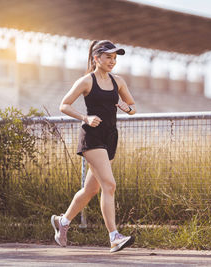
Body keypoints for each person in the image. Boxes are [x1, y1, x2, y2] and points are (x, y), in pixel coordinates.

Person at [51, 40, 136, 253]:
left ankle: (63, 221)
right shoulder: (86, 81)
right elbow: (64, 105)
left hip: (109, 138)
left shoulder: (119, 82)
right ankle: (114, 237)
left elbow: (133, 107)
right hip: (92, 137)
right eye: (108, 57)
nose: (112, 61)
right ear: (96, 58)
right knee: (110, 185)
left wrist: (128, 108)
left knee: (91, 189)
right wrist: (85, 118)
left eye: (115, 58)